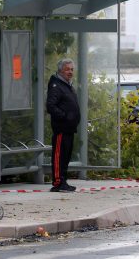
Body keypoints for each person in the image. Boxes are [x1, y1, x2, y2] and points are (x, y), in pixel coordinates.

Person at [46, 58, 81, 192]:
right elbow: (50, 106)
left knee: (66, 156)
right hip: (61, 128)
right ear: (61, 70)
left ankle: (63, 181)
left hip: (69, 129)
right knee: (59, 155)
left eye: (72, 69)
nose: (70, 72)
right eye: (67, 69)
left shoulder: (67, 85)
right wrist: (65, 117)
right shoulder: (56, 85)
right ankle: (58, 182)